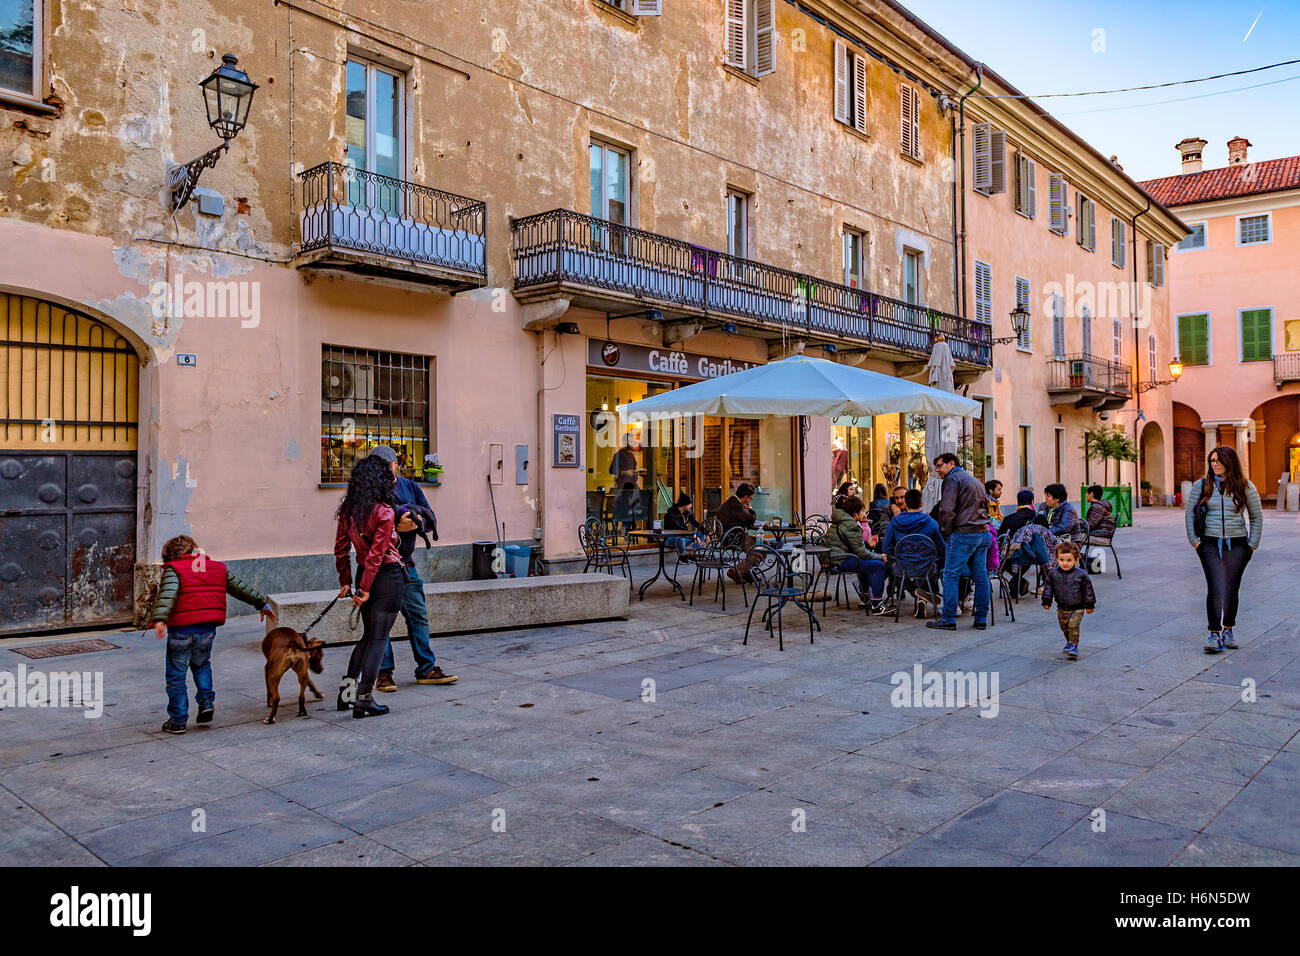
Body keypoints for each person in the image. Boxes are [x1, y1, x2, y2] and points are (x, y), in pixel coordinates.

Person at [149, 535, 276, 734]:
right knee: (201, 665)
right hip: (207, 628)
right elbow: (240, 588)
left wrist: (159, 619)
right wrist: (262, 603)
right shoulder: (217, 567)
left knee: (176, 675)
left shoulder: (174, 569)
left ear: (170, 556)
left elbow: (169, 593)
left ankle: (178, 720)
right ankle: (206, 702)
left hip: (181, 630)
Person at [367, 446, 457, 693]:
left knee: (418, 616)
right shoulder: (369, 491)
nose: (385, 469)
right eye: (379, 465)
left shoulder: (410, 487)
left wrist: (415, 525)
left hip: (406, 565)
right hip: (380, 566)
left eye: (388, 464)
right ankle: (383, 673)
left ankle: (426, 668)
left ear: (395, 464)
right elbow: (368, 524)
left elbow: (429, 517)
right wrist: (397, 526)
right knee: (381, 621)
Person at [333, 455, 406, 718]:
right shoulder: (384, 511)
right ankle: (364, 699)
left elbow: (341, 550)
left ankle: (346, 695)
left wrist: (347, 582)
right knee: (378, 638)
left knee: (366, 637)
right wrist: (365, 589)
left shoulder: (349, 510)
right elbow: (378, 554)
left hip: (364, 572)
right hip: (386, 577)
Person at [1186, 445, 1263, 654]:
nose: (1215, 464)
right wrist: (1195, 541)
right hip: (1209, 543)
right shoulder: (1201, 486)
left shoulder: (1245, 486)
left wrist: (1252, 544)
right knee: (1215, 588)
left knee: (1231, 588)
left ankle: (1228, 630)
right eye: (1212, 461)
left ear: (1229, 462)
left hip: (1237, 544)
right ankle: (1214, 633)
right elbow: (1190, 515)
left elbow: (1256, 517)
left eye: (1218, 460)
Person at [926, 452, 989, 630]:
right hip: (982, 532)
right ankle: (981, 618)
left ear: (951, 463)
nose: (937, 470)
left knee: (950, 575)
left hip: (964, 533)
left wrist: (945, 532)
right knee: (981, 576)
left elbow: (946, 510)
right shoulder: (975, 481)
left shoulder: (952, 480)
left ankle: (948, 617)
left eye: (939, 465)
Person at [882, 488, 946, 618]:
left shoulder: (895, 522)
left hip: (903, 567)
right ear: (921, 503)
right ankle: (926, 594)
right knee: (938, 562)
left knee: (893, 565)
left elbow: (886, 547)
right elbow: (941, 548)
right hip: (927, 567)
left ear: (905, 502)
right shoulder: (931, 523)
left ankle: (915, 591)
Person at [826, 495, 892, 613]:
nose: (864, 514)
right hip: (840, 560)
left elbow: (857, 548)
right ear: (855, 513)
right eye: (862, 511)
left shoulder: (841, 520)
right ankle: (877, 603)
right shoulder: (852, 526)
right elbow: (861, 553)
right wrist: (880, 557)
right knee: (879, 566)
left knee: (865, 565)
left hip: (833, 558)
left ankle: (865, 598)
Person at [1041, 540, 1096, 660]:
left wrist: (1090, 604)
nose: (1065, 563)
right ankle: (1069, 641)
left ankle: (1073, 645)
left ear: (1076, 560)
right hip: (1061, 607)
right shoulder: (1053, 574)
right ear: (1057, 559)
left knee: (1073, 625)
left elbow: (1088, 590)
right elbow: (1048, 588)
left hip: (1078, 606)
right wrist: (1046, 600)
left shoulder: (1081, 574)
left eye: (1069, 560)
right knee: (1064, 626)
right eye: (1062, 560)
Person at [719, 482, 760, 584]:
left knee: (764, 545)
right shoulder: (736, 505)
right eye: (751, 498)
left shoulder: (733, 502)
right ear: (746, 497)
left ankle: (747, 572)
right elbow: (750, 521)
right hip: (733, 538)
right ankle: (735, 571)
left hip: (734, 535)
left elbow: (748, 524)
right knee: (759, 552)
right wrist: (751, 510)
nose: (750, 500)